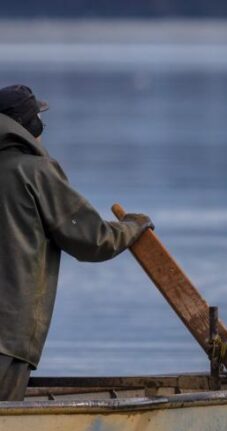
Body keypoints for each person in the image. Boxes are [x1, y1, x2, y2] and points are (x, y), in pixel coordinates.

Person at [0, 84, 152, 401]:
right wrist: (133, 227)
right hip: (7, 337)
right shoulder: (33, 172)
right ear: (28, 127)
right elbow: (92, 240)